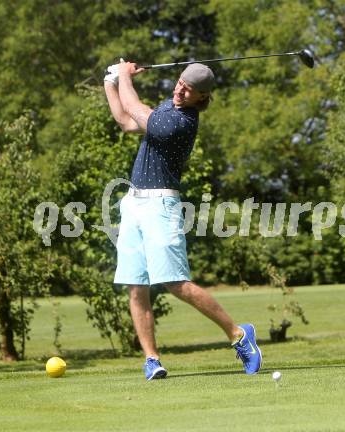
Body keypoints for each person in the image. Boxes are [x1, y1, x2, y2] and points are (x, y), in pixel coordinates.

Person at [104, 59, 262, 380]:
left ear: (201, 98)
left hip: (161, 204)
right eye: (180, 83)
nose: (180, 90)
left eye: (188, 90)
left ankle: (239, 334)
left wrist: (124, 77)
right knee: (136, 286)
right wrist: (110, 83)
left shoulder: (182, 122)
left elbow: (134, 106)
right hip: (134, 203)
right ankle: (152, 359)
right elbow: (125, 120)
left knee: (175, 282)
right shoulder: (167, 107)